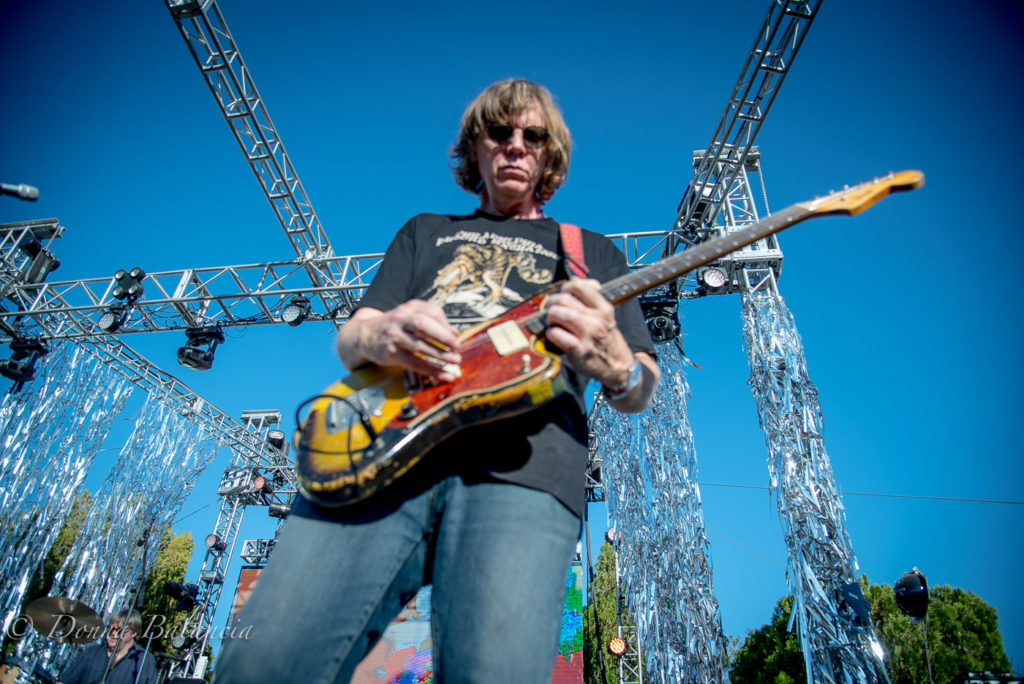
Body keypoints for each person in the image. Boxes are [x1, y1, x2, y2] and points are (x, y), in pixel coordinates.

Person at [215, 78, 659, 683]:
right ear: (474, 148)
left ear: (550, 155)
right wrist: (382, 334)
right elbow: (353, 338)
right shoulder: (426, 230)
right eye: (500, 133)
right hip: (381, 451)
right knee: (261, 665)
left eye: (533, 136)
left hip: (522, 474)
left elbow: (639, 384)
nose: (516, 146)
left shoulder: (590, 254)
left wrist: (615, 363)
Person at [60, 609, 156, 684]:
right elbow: (65, 681)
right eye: (110, 629)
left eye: (119, 630)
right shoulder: (92, 652)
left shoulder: (145, 660)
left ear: (133, 633)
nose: (113, 633)